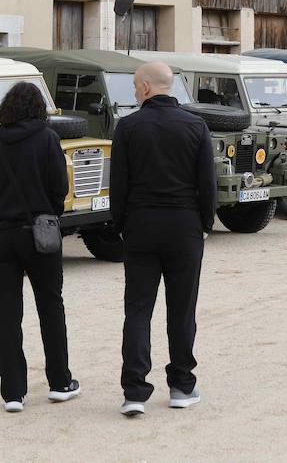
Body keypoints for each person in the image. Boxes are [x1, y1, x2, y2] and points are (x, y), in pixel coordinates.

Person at [110, 61, 217, 417]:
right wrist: (204, 223)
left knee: (138, 310)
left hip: (141, 224)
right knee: (182, 309)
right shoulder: (196, 126)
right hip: (184, 226)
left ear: (144, 87)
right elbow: (208, 183)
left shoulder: (128, 127)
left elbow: (119, 184)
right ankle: (182, 385)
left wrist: (122, 223)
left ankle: (135, 390)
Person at [0, 81, 79, 413]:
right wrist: (46, 214)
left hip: (0, 234)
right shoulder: (48, 139)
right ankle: (60, 382)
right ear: (38, 109)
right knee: (51, 307)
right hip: (39, 233)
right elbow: (59, 188)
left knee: (7, 315)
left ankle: (13, 393)